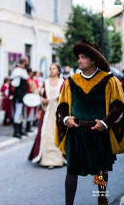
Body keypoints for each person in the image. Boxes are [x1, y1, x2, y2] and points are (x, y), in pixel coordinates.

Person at [55, 39, 124, 205]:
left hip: (98, 131)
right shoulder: (71, 81)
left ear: (94, 60)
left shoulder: (109, 80)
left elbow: (118, 106)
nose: (79, 60)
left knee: (100, 170)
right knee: (71, 170)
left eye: (83, 57)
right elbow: (62, 105)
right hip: (76, 132)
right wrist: (66, 119)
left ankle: (101, 197)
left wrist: (105, 123)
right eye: (78, 57)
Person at [29, 63, 66, 169]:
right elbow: (37, 94)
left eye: (54, 68)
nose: (51, 70)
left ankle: (57, 160)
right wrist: (42, 100)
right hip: (47, 111)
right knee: (45, 134)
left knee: (58, 134)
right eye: (50, 68)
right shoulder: (45, 83)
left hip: (58, 112)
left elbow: (67, 96)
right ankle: (46, 159)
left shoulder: (63, 82)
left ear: (58, 71)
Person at [10, 57, 29, 138]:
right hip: (19, 95)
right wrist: (16, 94)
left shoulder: (23, 70)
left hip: (22, 95)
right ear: (24, 62)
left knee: (21, 113)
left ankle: (20, 130)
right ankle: (16, 131)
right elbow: (14, 85)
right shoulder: (17, 71)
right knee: (17, 113)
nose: (28, 62)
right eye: (27, 61)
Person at [24, 68, 39, 132]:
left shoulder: (30, 79)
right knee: (28, 113)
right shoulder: (28, 79)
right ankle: (27, 128)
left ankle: (28, 127)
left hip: (31, 96)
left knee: (31, 113)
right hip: (29, 97)